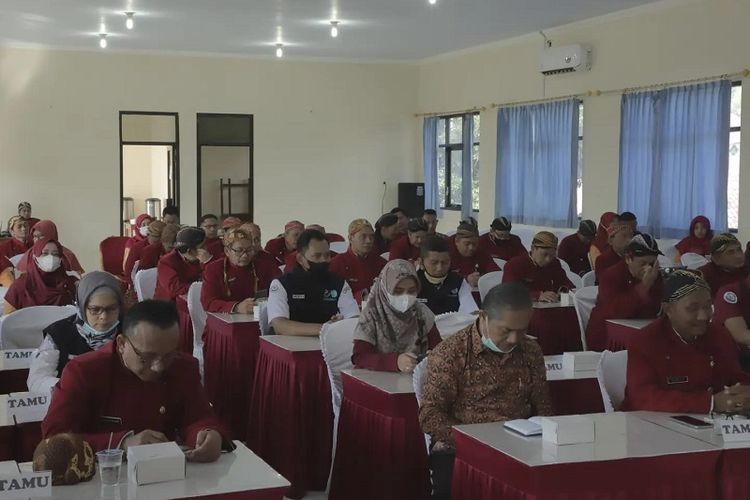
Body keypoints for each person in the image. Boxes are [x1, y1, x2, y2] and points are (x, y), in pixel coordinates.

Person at [42, 300, 233, 461]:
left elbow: (198, 416)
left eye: (168, 355)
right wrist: (121, 443)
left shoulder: (183, 367)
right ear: (122, 344)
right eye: (146, 357)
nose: (158, 366)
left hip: (166, 474)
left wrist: (207, 433)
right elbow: (54, 440)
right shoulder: (84, 372)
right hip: (102, 476)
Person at [419, 283, 552, 500]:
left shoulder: (530, 350)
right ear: (483, 316)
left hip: (519, 446)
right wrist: (474, 442)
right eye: (506, 330)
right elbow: (430, 415)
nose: (514, 340)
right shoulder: (451, 353)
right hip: (464, 448)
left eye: (522, 330)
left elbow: (543, 406)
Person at [622, 271, 750, 413]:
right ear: (668, 309)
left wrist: (743, 394)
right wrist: (710, 403)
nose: (703, 316)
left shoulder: (720, 335)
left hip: (709, 425)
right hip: (650, 425)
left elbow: (735, 378)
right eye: (692, 308)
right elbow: (643, 398)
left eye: (708, 306)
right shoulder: (645, 341)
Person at [27, 271, 123, 393]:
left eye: (111, 309)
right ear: (82, 307)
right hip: (73, 400)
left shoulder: (129, 331)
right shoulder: (60, 333)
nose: (103, 316)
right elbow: (36, 380)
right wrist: (73, 387)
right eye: (95, 310)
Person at [352, 260, 441, 372]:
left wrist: (433, 355)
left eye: (412, 291)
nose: (406, 297)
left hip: (414, 378)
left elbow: (439, 346)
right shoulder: (371, 314)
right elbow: (360, 357)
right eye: (398, 291)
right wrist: (395, 362)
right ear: (385, 289)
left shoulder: (421, 312)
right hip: (378, 380)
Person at [268, 229, 359, 336]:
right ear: (301, 259)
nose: (323, 260)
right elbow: (280, 325)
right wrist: (326, 328)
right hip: (290, 347)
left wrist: (341, 324)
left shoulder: (339, 283)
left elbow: (354, 318)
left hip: (329, 345)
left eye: (327, 255)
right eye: (317, 256)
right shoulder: (281, 284)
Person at [585, 234, 663, 351]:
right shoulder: (610, 276)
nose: (648, 268)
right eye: (643, 263)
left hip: (641, 331)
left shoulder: (655, 276)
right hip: (606, 336)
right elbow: (617, 311)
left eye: (651, 264)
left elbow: (656, 308)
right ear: (628, 259)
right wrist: (644, 286)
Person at [201, 228, 281, 313]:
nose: (245, 255)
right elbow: (208, 303)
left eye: (249, 250)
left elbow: (280, 289)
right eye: (239, 250)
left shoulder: (264, 266)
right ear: (227, 251)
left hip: (259, 316)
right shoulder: (213, 269)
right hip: (225, 320)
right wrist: (236, 307)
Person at [3, 238, 77, 315]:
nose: (50, 258)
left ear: (61, 258)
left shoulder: (69, 284)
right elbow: (8, 319)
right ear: (35, 257)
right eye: (45, 253)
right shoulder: (19, 286)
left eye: (55, 254)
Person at [502, 231, 573, 302]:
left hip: (548, 305)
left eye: (552, 255)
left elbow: (566, 283)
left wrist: (563, 291)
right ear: (533, 248)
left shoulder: (554, 263)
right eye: (544, 254)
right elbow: (509, 292)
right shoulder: (514, 264)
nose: (548, 259)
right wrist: (537, 295)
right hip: (521, 307)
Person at [330, 219, 387, 301]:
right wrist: (361, 297)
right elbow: (332, 295)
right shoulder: (337, 263)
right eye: (363, 236)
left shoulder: (382, 263)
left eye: (371, 236)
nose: (369, 241)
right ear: (350, 238)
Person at [417, 236, 477, 315]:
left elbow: (471, 312)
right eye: (434, 263)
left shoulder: (458, 282)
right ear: (421, 262)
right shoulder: (413, 282)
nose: (439, 268)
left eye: (445, 262)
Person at [154, 227, 210, 301]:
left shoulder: (204, 258)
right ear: (190, 251)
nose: (206, 248)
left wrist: (207, 263)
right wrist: (203, 286)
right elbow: (174, 289)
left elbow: (215, 280)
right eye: (202, 246)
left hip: (197, 298)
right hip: (170, 305)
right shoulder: (166, 262)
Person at [18, 220, 85, 276]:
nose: (37, 239)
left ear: (51, 235)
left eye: (40, 236)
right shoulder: (29, 255)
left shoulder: (67, 256)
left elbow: (77, 280)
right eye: (35, 236)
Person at [450, 222, 500, 289]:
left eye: (474, 244)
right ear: (456, 241)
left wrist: (482, 278)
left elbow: (496, 273)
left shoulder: (480, 251)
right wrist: (466, 278)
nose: (471, 248)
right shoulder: (445, 251)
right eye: (467, 244)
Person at [697, 233, 747, 297]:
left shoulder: (746, 270)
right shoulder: (703, 275)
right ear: (716, 258)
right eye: (730, 252)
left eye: (739, 249)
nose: (739, 256)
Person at [0, 216, 30, 287]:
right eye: (19, 226)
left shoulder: (34, 244)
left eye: (25, 225)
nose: (24, 228)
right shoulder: (4, 247)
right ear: (11, 231)